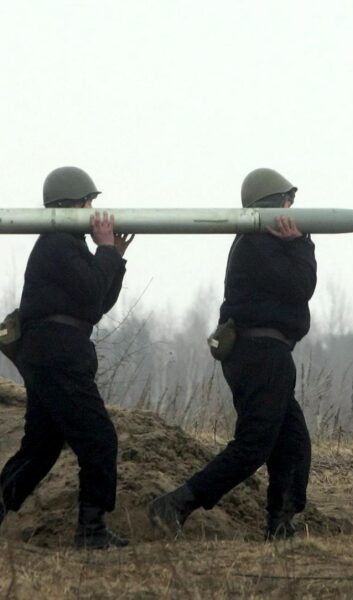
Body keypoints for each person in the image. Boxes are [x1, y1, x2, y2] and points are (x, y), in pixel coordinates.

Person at [0, 166, 134, 549]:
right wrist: (105, 251)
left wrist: (114, 258)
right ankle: (91, 531)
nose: (94, 210)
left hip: (50, 352)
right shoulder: (57, 243)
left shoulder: (68, 246)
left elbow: (95, 307)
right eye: (89, 203)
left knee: (40, 448)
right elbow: (91, 294)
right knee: (99, 438)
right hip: (58, 354)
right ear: (72, 204)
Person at [149, 168, 317, 540]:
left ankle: (280, 523)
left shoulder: (259, 241)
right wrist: (299, 244)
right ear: (275, 206)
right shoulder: (260, 242)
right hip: (261, 354)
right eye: (287, 202)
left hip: (264, 353)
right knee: (254, 444)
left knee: (293, 443)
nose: (293, 210)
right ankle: (177, 503)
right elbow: (301, 285)